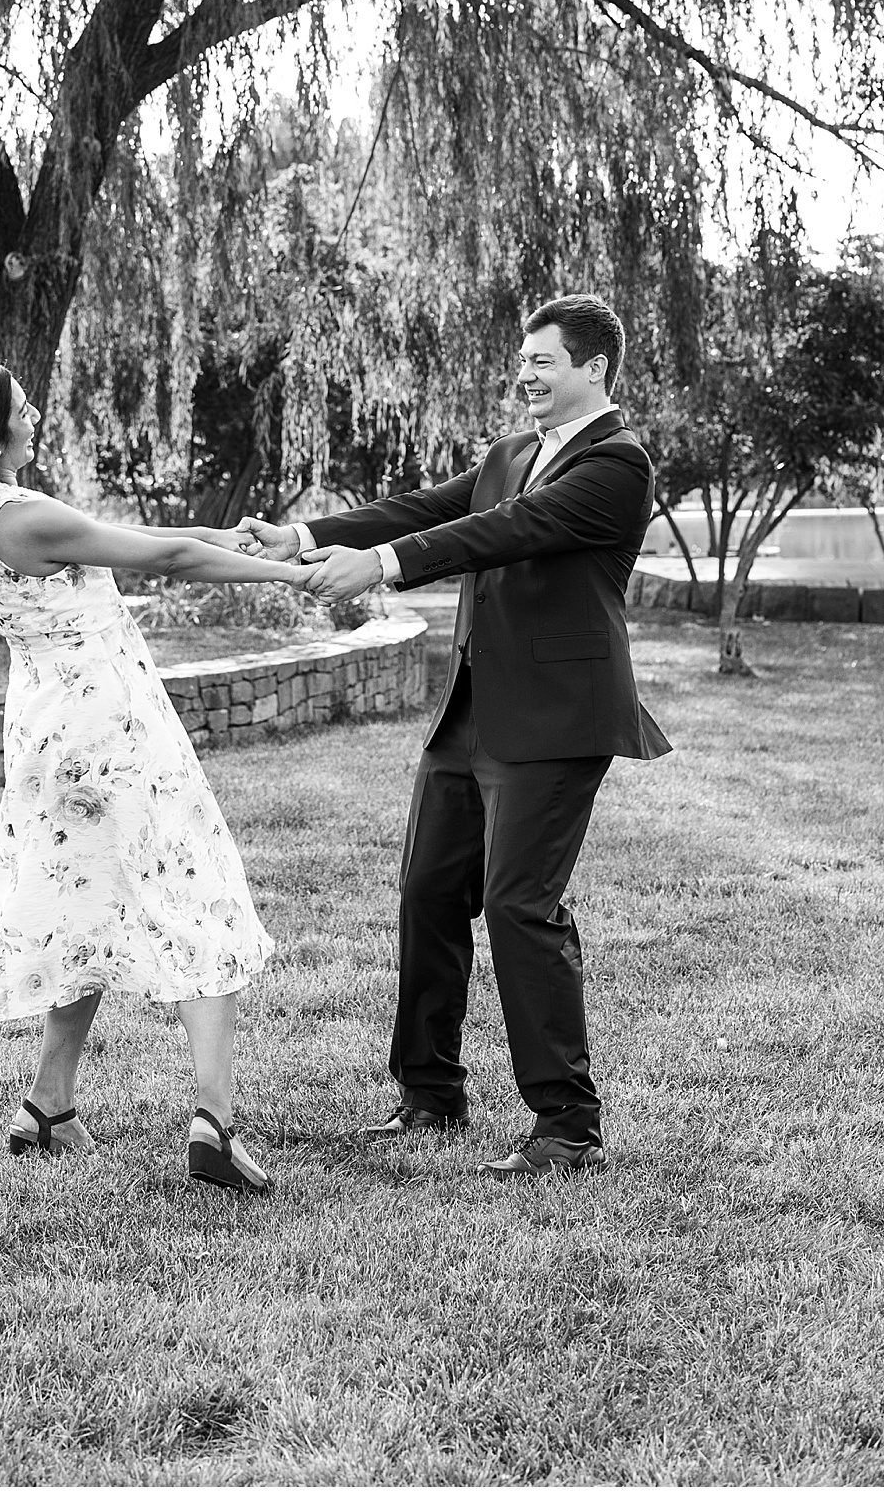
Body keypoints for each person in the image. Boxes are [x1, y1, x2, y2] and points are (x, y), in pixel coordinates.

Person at [0, 357, 315, 1195]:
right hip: (109, 726)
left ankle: (47, 1106)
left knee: (86, 901)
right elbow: (164, 559)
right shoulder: (19, 514)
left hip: (50, 723)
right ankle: (214, 1124)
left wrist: (227, 536)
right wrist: (292, 573)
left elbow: (139, 545)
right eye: (22, 410)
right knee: (194, 895)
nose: (34, 418)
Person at [241, 294, 668, 1179]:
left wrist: (385, 571)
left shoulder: (620, 464)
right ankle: (430, 1096)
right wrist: (304, 536)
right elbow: (424, 507)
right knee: (428, 893)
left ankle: (567, 1126)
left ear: (594, 369)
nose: (526, 375)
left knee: (518, 908)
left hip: (555, 720)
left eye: (544, 362)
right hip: (470, 713)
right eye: (524, 360)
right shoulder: (512, 452)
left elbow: (504, 532)